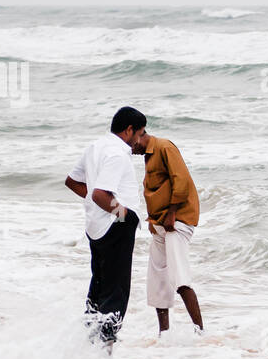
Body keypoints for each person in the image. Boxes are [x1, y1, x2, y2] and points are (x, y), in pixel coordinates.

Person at [64, 107, 146, 346]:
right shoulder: (117, 154)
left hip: (96, 225)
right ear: (129, 130)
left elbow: (72, 182)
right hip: (115, 224)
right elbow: (100, 193)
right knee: (116, 292)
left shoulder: (96, 146)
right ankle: (104, 352)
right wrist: (125, 215)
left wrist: (96, 204)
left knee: (99, 287)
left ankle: (89, 344)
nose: (139, 141)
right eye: (140, 134)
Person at [131, 129, 203, 334]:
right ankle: (164, 334)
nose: (129, 148)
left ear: (136, 133)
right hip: (161, 223)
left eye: (130, 142)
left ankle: (200, 332)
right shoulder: (148, 155)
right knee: (157, 281)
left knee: (179, 278)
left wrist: (172, 213)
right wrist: (154, 220)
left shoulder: (164, 147)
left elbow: (182, 181)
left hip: (177, 220)